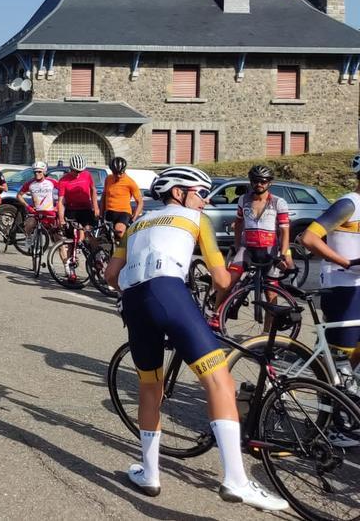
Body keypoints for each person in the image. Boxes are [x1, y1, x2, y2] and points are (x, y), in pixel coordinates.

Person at [104, 166, 287, 511]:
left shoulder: (136, 224)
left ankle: (150, 474)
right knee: (220, 382)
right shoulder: (193, 218)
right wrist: (222, 293)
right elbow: (220, 279)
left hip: (134, 301)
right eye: (200, 193)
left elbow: (111, 275)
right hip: (168, 292)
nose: (205, 201)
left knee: (150, 387)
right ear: (178, 193)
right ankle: (236, 479)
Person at [299, 154, 360, 384]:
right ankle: (337, 409)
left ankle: (339, 398)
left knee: (355, 356)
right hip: (342, 286)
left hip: (358, 287)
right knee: (340, 357)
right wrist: (345, 262)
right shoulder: (349, 204)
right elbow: (309, 238)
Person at [217, 165, 293, 318]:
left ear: (269, 183)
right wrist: (238, 245)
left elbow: (285, 231)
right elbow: (238, 223)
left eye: (263, 181)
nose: (259, 184)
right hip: (247, 249)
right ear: (251, 182)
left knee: (271, 294)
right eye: (255, 181)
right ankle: (215, 316)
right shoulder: (243, 200)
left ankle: (267, 332)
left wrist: (283, 254)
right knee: (227, 282)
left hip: (269, 251)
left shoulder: (279, 202)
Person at [56, 154, 101, 281]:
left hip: (86, 209)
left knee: (89, 233)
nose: (78, 174)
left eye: (80, 171)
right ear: (71, 168)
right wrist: (61, 219)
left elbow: (93, 190)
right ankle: (71, 271)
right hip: (72, 210)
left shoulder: (87, 175)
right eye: (75, 171)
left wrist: (96, 207)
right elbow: (60, 201)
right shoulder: (64, 180)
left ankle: (98, 258)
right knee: (71, 242)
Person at [101, 157, 143, 240]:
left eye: (121, 173)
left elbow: (140, 202)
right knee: (105, 237)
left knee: (119, 231)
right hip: (109, 211)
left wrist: (133, 218)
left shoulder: (130, 182)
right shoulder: (108, 179)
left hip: (123, 212)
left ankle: (127, 250)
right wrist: (100, 212)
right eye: (116, 173)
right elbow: (104, 196)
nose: (118, 175)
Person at [17, 161, 59, 238]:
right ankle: (28, 241)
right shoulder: (30, 183)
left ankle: (61, 249)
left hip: (50, 212)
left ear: (44, 172)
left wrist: (57, 206)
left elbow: (62, 194)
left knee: (56, 236)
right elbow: (19, 196)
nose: (37, 174)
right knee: (28, 226)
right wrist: (28, 206)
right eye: (35, 172)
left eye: (39, 172)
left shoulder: (52, 182)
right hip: (36, 212)